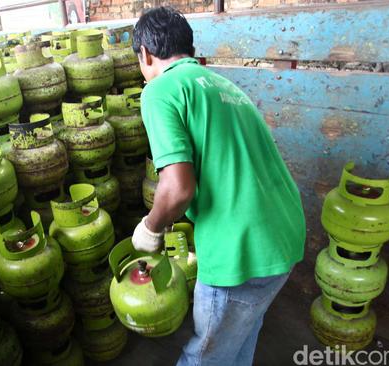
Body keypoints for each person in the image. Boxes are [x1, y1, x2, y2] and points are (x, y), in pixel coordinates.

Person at [130, 7, 306, 366]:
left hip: (242, 250)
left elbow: (177, 188)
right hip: (284, 237)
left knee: (206, 355)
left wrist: (151, 227)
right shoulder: (225, 86)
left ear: (145, 54)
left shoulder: (159, 90)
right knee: (237, 338)